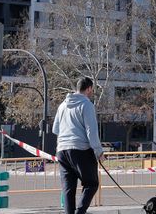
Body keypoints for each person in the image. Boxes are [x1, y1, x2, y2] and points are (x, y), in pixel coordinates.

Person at [52, 77, 103, 214]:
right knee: (91, 183)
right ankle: (80, 212)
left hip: (62, 150)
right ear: (89, 89)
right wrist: (98, 151)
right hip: (80, 149)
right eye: (92, 90)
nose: (92, 92)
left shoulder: (62, 105)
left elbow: (55, 129)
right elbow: (91, 131)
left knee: (68, 189)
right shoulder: (86, 105)